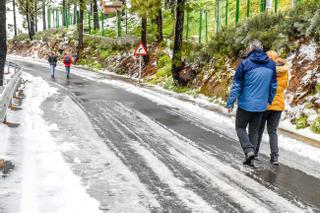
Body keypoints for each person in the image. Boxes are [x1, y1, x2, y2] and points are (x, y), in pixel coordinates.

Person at [226, 40, 277, 166]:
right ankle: (251, 158)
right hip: (261, 105)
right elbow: (273, 85)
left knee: (240, 127)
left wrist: (230, 101)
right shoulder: (271, 65)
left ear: (250, 49)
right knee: (254, 131)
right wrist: (269, 99)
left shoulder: (245, 64)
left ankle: (248, 150)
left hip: (245, 104)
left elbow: (237, 85)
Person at [256, 51, 289, 165]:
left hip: (265, 104)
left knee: (259, 130)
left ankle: (254, 153)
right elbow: (284, 86)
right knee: (272, 132)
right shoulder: (285, 71)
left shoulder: (265, 69)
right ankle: (274, 157)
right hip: (278, 105)